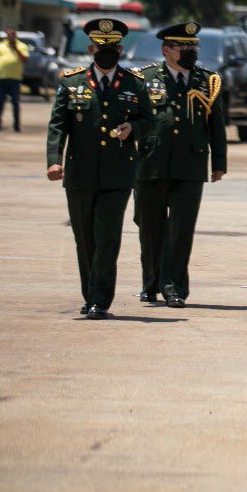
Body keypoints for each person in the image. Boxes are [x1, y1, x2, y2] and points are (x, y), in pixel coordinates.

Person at [45, 18, 154, 319]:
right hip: (80, 173)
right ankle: (89, 291)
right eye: (101, 48)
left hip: (117, 173)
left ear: (120, 50)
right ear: (91, 48)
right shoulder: (71, 82)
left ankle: (99, 299)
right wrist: (54, 160)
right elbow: (58, 126)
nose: (106, 53)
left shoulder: (135, 83)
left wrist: (133, 127)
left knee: (107, 236)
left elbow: (150, 122)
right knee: (85, 237)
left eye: (112, 48)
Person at [132, 23, 227, 307]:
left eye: (193, 47)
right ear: (166, 50)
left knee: (181, 229)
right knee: (150, 227)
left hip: (191, 164)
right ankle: (151, 281)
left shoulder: (207, 81)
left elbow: (216, 125)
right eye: (183, 47)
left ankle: (174, 287)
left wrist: (219, 162)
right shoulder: (144, 79)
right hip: (151, 163)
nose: (190, 52)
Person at [0, 29, 30, 132]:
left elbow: (25, 60)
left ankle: (16, 125)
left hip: (15, 79)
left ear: (16, 35)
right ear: (7, 35)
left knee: (15, 103)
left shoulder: (22, 46)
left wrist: (16, 49)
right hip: (1, 79)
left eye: (13, 34)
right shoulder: (0, 46)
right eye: (9, 34)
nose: (11, 36)